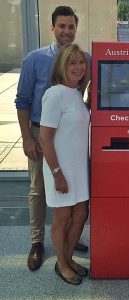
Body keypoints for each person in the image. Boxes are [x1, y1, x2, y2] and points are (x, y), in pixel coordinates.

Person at [15, 6, 88, 272]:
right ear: (53, 28)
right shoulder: (34, 59)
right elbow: (22, 100)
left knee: (69, 200)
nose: (67, 31)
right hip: (39, 132)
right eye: (62, 26)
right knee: (38, 189)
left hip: (68, 135)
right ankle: (37, 242)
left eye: (71, 26)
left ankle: (68, 242)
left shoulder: (83, 58)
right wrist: (26, 137)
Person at [39, 43, 90, 285]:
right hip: (60, 169)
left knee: (81, 213)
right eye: (72, 63)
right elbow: (44, 138)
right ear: (62, 65)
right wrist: (57, 173)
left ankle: (68, 259)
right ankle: (61, 264)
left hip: (78, 169)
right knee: (63, 218)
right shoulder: (55, 94)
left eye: (81, 62)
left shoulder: (76, 92)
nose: (78, 67)